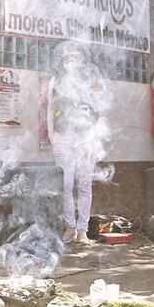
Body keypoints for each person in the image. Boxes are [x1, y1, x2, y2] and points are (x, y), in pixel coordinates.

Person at [48, 43, 109, 245]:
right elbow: (49, 108)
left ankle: (83, 230)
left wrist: (96, 135)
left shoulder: (93, 78)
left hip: (86, 137)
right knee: (65, 185)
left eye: (76, 56)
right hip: (63, 136)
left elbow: (101, 108)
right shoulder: (55, 80)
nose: (71, 60)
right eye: (68, 56)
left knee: (84, 184)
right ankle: (70, 228)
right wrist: (51, 135)